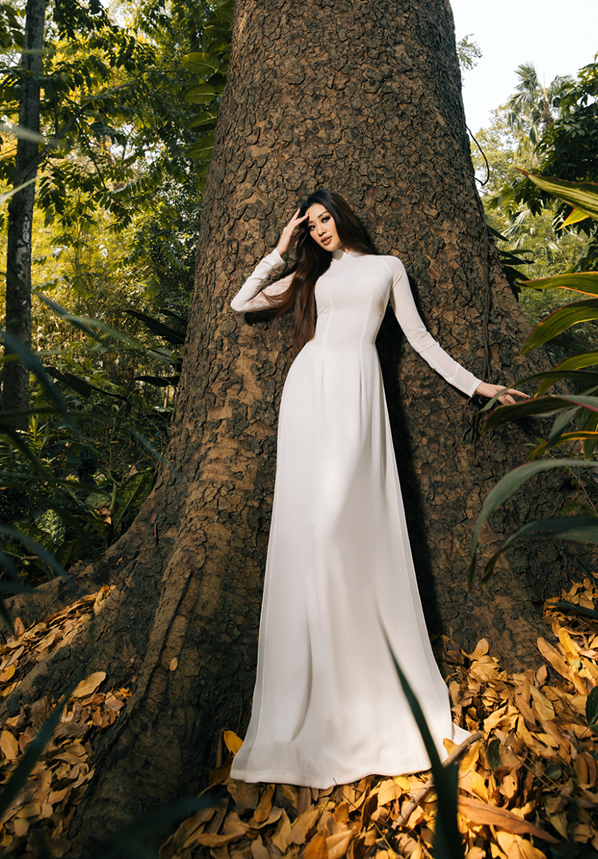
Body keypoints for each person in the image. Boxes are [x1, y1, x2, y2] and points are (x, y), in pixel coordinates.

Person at [229, 189, 527, 788]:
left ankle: (366, 682)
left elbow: (419, 339)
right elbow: (242, 302)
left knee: (348, 529)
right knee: (312, 534)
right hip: (309, 393)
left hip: (359, 396)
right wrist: (280, 250)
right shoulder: (308, 277)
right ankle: (316, 689)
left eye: (323, 220)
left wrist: (480, 388)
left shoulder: (387, 268)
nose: (319, 231)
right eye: (309, 226)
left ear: (342, 216)